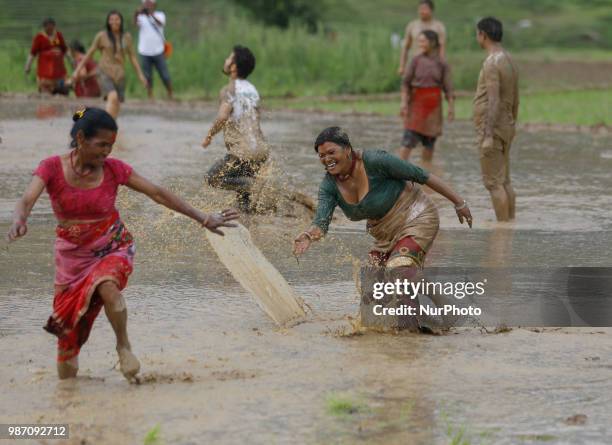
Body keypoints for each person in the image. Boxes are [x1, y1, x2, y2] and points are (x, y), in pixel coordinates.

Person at [6, 107, 239, 381]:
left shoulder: (115, 170)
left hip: (112, 246)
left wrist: (203, 217)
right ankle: (70, 398)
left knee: (108, 287)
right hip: (72, 260)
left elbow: (157, 193)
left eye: (111, 145)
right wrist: (20, 219)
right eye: (102, 144)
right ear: (80, 138)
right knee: (68, 347)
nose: (107, 151)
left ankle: (123, 345)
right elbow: (26, 199)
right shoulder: (51, 167)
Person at [293, 127, 472, 276]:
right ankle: (444, 307)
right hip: (385, 234)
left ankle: (415, 318)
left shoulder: (376, 160)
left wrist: (459, 202)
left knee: (399, 269)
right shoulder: (328, 187)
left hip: (416, 217)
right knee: (371, 289)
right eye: (321, 156)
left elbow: (421, 175)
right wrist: (309, 236)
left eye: (331, 152)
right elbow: (321, 223)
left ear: (347, 149)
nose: (327, 160)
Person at [202, 45, 270, 212]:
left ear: (233, 67)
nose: (226, 61)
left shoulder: (228, 90)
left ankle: (253, 184)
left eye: (229, 58)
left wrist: (209, 135)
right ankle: (247, 223)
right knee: (242, 197)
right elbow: (256, 120)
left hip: (242, 152)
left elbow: (222, 117)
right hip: (261, 150)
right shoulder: (253, 90)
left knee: (212, 177)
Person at [473, 17, 519, 222]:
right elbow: (515, 98)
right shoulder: (509, 59)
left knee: (493, 183)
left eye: (477, 34)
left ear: (482, 34)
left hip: (492, 129)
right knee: (505, 181)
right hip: (507, 126)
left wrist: (488, 134)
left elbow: (493, 99)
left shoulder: (492, 62)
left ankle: (502, 230)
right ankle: (509, 225)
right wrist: (512, 124)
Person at [71, 10, 148, 119]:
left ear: (121, 21)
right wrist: (77, 70)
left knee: (117, 103)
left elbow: (132, 57)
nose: (114, 22)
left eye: (117, 19)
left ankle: (111, 128)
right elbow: (89, 54)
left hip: (119, 74)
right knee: (113, 97)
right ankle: (104, 124)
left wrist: (141, 75)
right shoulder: (101, 36)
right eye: (111, 20)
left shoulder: (126, 37)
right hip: (105, 72)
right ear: (108, 22)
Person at [400, 30, 454, 162]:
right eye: (419, 41)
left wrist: (451, 108)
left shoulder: (442, 64)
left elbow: (448, 89)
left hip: (433, 109)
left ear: (433, 42)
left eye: (423, 41)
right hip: (416, 106)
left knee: (429, 145)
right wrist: (404, 103)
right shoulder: (415, 61)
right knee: (407, 142)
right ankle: (398, 174)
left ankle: (425, 175)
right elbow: (405, 84)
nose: (420, 44)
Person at [134, 0, 173, 99]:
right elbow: (135, 24)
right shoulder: (141, 17)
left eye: (149, 4)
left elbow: (160, 24)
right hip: (144, 51)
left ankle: (170, 93)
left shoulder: (160, 15)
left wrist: (151, 15)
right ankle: (150, 96)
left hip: (158, 50)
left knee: (165, 75)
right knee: (148, 76)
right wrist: (136, 13)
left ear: (154, 4)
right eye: (146, 4)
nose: (148, 6)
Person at [397, 0, 446, 77]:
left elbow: (442, 48)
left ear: (431, 10)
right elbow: (406, 47)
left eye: (425, 9)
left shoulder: (438, 27)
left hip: (433, 65)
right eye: (420, 9)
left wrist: (442, 66)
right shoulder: (412, 26)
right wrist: (402, 66)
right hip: (415, 64)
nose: (422, 12)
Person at [25, 18, 69, 95]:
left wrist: (72, 61)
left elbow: (65, 50)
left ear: (54, 27)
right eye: (48, 28)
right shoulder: (39, 37)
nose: (50, 30)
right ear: (44, 28)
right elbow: (33, 53)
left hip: (58, 70)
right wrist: (28, 66)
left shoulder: (58, 35)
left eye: (52, 28)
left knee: (62, 89)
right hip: (44, 71)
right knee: (46, 91)